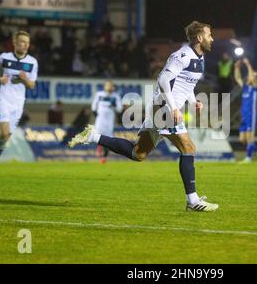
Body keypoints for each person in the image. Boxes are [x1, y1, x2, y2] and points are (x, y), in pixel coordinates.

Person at [69, 21, 218, 212]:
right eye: (209, 35)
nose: (211, 38)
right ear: (199, 38)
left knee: (138, 153)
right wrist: (173, 107)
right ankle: (193, 200)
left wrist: (192, 101)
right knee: (188, 147)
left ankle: (93, 137)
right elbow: (163, 79)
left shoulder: (200, 58)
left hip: (163, 108)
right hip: (163, 107)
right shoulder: (182, 55)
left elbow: (186, 84)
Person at [0, 30, 38, 178]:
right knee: (4, 132)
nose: (25, 45)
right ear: (14, 43)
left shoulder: (32, 62)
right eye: (22, 42)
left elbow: (32, 85)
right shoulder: (4, 57)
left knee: (5, 137)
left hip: (19, 104)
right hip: (4, 99)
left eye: (27, 42)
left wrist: (25, 79)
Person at [234, 58, 257, 164]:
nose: (251, 75)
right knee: (242, 139)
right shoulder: (245, 87)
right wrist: (236, 67)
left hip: (251, 115)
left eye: (254, 75)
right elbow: (237, 78)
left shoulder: (255, 87)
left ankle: (248, 158)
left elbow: (252, 76)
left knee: (250, 138)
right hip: (244, 115)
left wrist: (248, 64)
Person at [91, 81, 123, 163]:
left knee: (108, 138)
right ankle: (99, 148)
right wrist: (95, 112)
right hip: (100, 119)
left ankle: (104, 157)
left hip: (109, 120)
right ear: (105, 87)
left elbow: (120, 109)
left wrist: (114, 106)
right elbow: (94, 105)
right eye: (107, 86)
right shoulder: (99, 94)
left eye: (110, 86)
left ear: (113, 87)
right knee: (97, 134)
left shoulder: (115, 96)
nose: (109, 88)